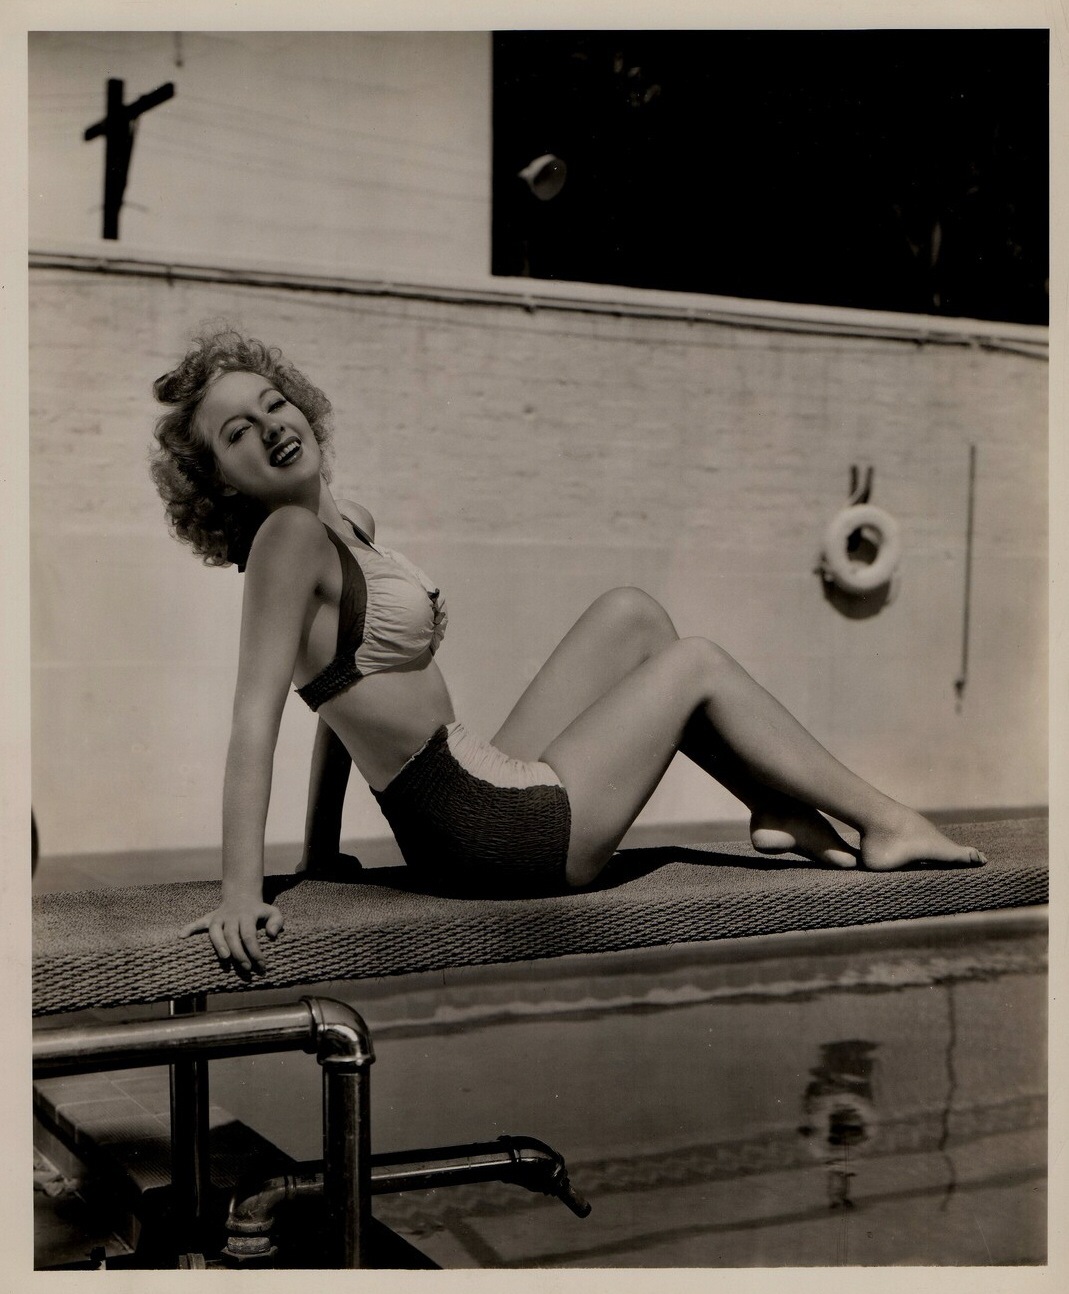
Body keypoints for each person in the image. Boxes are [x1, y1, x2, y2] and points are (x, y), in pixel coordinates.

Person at [151, 329, 986, 974]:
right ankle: (884, 822)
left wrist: (320, 850)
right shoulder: (286, 540)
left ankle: (773, 806)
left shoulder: (348, 523)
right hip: (488, 835)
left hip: (472, 788)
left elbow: (336, 695)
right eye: (238, 432)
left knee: (631, 616)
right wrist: (240, 894)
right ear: (219, 479)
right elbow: (256, 720)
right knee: (693, 663)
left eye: (274, 403)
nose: (271, 427)